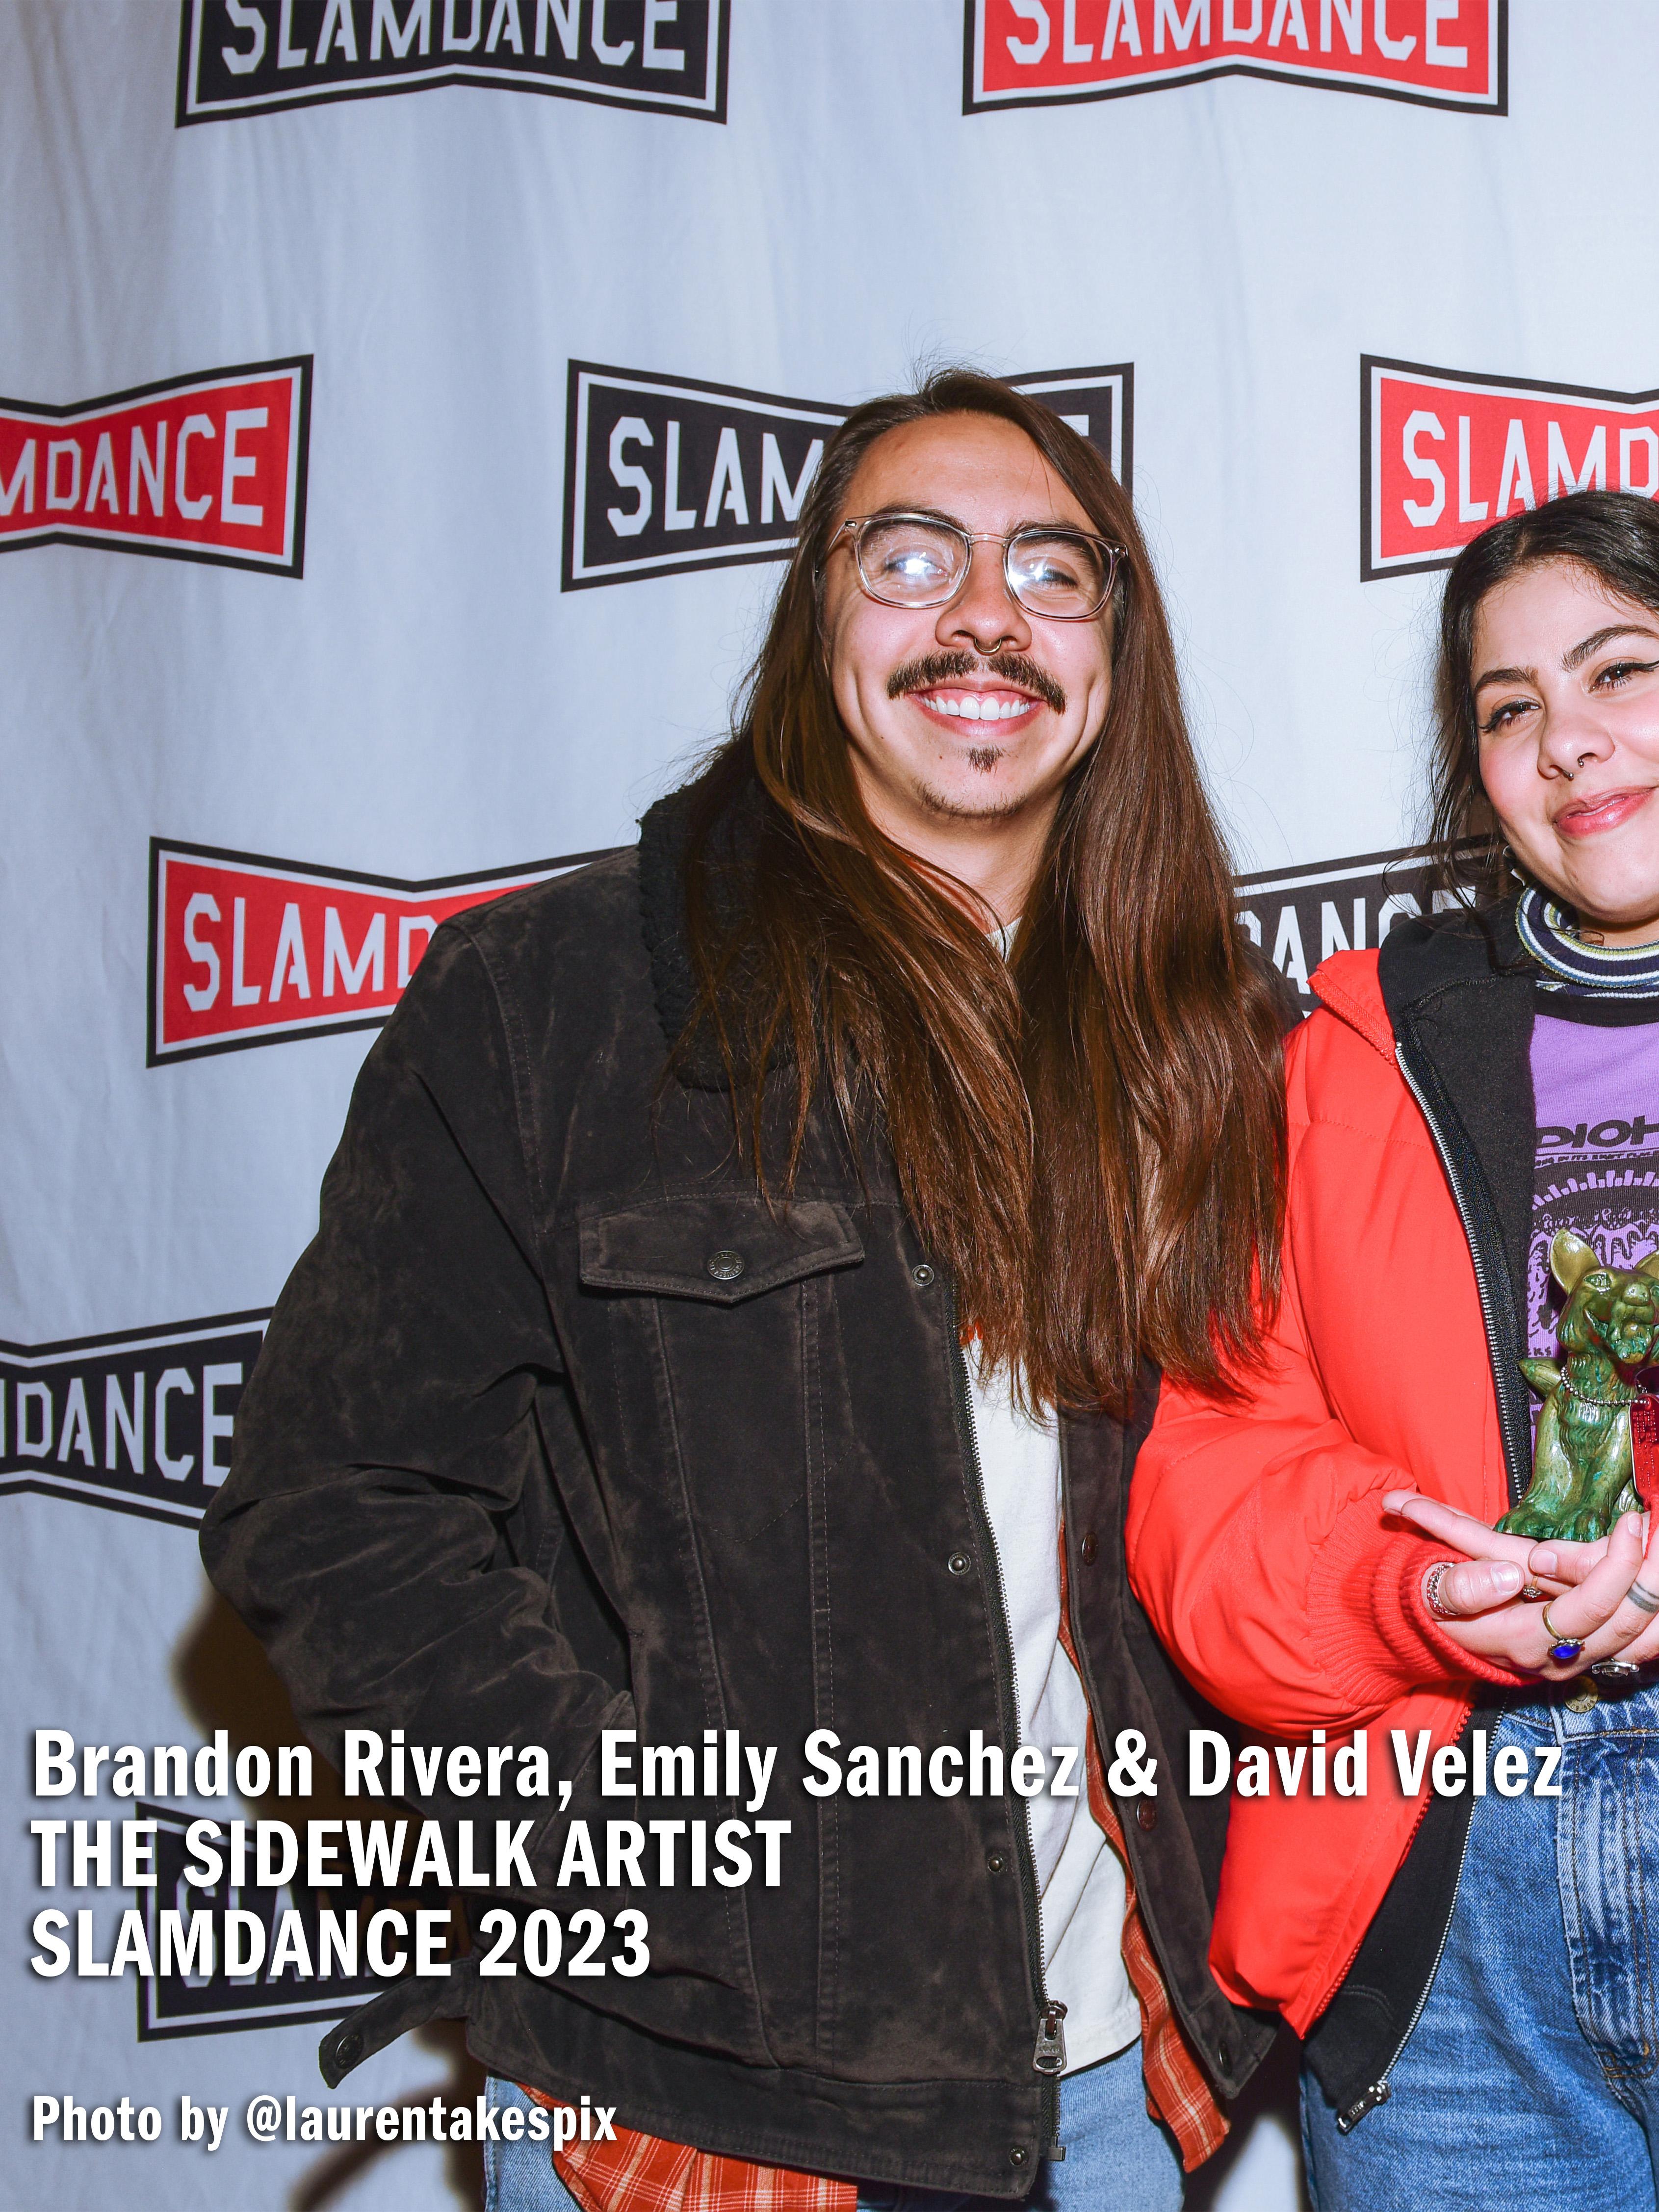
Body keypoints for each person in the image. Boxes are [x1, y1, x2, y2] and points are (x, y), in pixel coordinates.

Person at [200, 369, 1287, 2212]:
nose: (984, 616)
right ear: (816, 619)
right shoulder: (558, 1005)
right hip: (705, 2103)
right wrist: (633, 1850)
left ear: (1114, 651)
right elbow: (337, 1507)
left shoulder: (1206, 1039)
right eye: (912, 556)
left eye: (1050, 570)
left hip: (1107, 2078)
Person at [1127, 486, 1659, 2210]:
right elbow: (1213, 1482)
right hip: (1450, 1915)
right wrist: (1410, 1592)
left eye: (1622, 671)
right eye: (1510, 709)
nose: (1568, 743)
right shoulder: (1350, 1055)